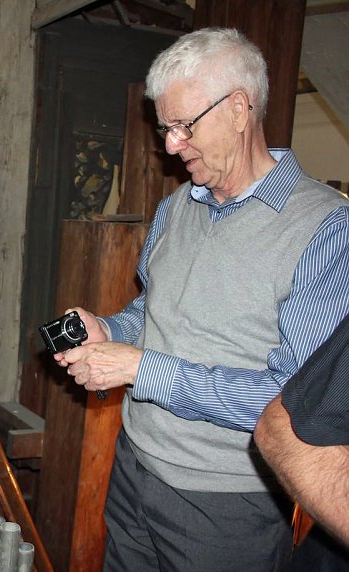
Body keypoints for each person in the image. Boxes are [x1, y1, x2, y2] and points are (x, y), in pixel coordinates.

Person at [54, 27, 349, 571]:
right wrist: (109, 330)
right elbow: (151, 311)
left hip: (224, 506)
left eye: (183, 126)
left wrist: (143, 370)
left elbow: (292, 404)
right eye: (166, 128)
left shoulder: (325, 229)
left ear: (239, 109)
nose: (170, 145)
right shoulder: (177, 207)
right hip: (134, 468)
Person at [254, 313, 349, 570]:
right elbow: (286, 418)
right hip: (147, 461)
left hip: (232, 485)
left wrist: (149, 370)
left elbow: (284, 379)